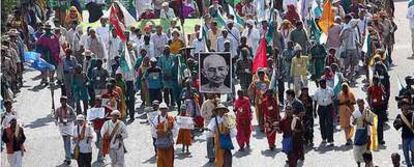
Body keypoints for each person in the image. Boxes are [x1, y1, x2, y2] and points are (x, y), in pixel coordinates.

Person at [151, 103, 178, 167]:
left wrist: (170, 133)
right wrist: (159, 134)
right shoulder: (156, 119)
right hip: (160, 145)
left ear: (167, 110)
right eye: (162, 109)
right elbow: (153, 131)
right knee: (160, 161)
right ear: (159, 110)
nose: (163, 111)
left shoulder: (171, 119)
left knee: (169, 160)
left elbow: (176, 129)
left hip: (169, 144)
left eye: (165, 109)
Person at [352, 99, 376, 167]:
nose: (360, 105)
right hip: (358, 133)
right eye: (358, 104)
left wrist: (367, 122)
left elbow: (373, 122)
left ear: (363, 103)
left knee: (366, 150)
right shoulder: (355, 113)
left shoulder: (368, 112)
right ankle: (358, 164)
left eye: (361, 104)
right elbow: (352, 123)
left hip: (367, 133)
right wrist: (354, 122)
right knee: (357, 150)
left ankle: (368, 164)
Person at [89, 97, 112, 164]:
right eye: (97, 101)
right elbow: (90, 118)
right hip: (96, 128)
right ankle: (103, 153)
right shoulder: (93, 109)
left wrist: (104, 117)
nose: (98, 102)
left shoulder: (104, 108)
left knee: (101, 143)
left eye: (99, 101)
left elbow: (108, 114)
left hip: (103, 128)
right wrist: (94, 119)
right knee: (96, 143)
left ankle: (100, 157)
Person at [55, 96, 76, 165]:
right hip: (62, 128)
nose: (64, 103)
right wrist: (57, 121)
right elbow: (56, 117)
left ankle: (68, 158)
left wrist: (67, 120)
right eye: (62, 101)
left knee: (67, 142)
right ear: (60, 102)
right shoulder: (58, 109)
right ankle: (68, 155)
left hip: (69, 127)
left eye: (65, 101)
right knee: (65, 143)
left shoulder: (70, 108)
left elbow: (74, 116)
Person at [313, 79, 335, 147]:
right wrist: (314, 111)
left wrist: (333, 109)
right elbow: (315, 101)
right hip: (321, 108)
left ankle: (331, 140)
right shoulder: (317, 91)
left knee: (330, 123)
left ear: (325, 83)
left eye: (323, 83)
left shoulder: (330, 89)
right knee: (322, 123)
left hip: (329, 107)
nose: (322, 85)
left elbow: (333, 98)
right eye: (321, 84)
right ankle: (324, 138)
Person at [394, 98, 414, 167]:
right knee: (405, 153)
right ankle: (409, 164)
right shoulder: (400, 116)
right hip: (405, 137)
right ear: (401, 106)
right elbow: (396, 126)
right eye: (403, 105)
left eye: (406, 105)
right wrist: (399, 123)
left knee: (413, 148)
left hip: (412, 136)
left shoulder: (412, 114)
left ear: (409, 106)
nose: (405, 107)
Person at [367, 76, 386, 145]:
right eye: (375, 81)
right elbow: (368, 97)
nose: (376, 82)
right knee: (373, 124)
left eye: (377, 81)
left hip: (380, 107)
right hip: (373, 107)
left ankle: (380, 139)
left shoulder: (381, 87)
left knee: (380, 124)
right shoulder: (370, 88)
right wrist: (370, 106)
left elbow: (384, 95)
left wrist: (382, 91)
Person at [200, 94, 217, 162]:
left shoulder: (217, 101)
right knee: (209, 141)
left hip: (217, 124)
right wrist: (210, 116)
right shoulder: (205, 103)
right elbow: (202, 113)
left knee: (216, 140)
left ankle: (217, 154)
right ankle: (211, 156)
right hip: (208, 124)